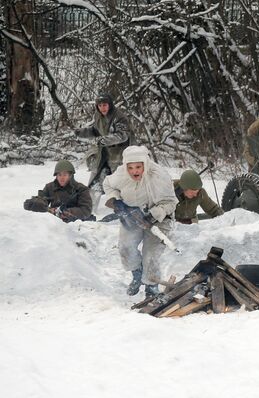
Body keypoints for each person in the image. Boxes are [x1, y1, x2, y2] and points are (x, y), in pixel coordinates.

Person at [103, 146, 178, 297]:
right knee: (125, 247)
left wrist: (153, 215)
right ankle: (137, 274)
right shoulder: (121, 174)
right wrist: (116, 201)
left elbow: (171, 203)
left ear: (145, 163)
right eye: (130, 167)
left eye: (138, 167)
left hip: (159, 219)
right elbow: (108, 185)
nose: (134, 171)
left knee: (150, 254)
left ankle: (151, 285)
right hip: (132, 216)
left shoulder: (159, 175)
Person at [74, 93, 132, 197]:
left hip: (119, 156)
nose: (102, 108)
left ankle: (121, 206)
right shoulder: (98, 116)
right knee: (95, 182)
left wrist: (104, 140)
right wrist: (82, 132)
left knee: (120, 184)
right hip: (103, 155)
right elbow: (96, 131)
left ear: (110, 105)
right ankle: (89, 206)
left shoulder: (119, 117)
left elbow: (123, 136)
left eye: (104, 105)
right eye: (100, 105)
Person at [23, 160, 94, 222]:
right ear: (56, 176)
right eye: (59, 175)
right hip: (55, 224)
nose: (62, 178)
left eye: (65, 175)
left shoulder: (81, 189)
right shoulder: (49, 187)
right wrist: (42, 206)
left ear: (70, 176)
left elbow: (86, 210)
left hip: (76, 225)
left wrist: (67, 212)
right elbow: (41, 200)